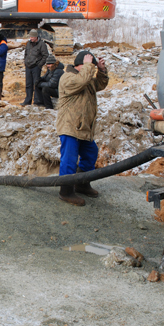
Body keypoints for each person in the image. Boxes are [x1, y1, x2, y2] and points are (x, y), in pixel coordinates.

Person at [56, 50, 108, 206]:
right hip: (70, 126)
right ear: (81, 65)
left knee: (91, 153)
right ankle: (66, 191)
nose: (90, 69)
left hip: (83, 127)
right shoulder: (67, 78)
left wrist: (101, 70)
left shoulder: (86, 78)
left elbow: (100, 84)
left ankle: (82, 183)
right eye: (88, 66)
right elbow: (81, 82)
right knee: (70, 159)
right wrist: (88, 65)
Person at [21, 29, 49, 106]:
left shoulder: (42, 44)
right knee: (28, 84)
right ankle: (28, 100)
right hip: (28, 66)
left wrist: (39, 65)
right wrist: (26, 62)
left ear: (36, 36)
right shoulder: (28, 44)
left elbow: (45, 55)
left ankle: (37, 101)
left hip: (36, 67)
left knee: (36, 84)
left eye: (32, 37)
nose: (31, 38)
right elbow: (26, 54)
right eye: (30, 37)